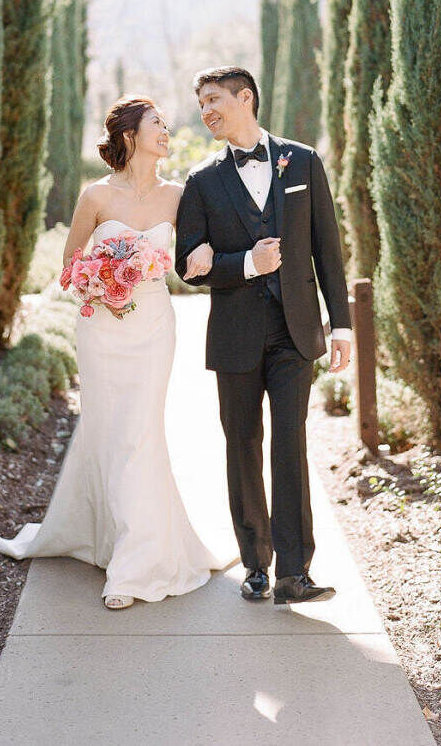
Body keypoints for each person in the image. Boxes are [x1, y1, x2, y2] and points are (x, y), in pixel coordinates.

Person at [0, 95, 221, 609]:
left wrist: (205, 256)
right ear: (129, 136)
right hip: (101, 331)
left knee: (139, 434)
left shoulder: (179, 196)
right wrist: (102, 281)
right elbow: (71, 267)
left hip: (153, 328)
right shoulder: (95, 196)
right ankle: (109, 535)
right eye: (157, 124)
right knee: (109, 432)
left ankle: (135, 567)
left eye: (164, 123)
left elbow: (187, 262)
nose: (166, 130)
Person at [175, 66, 353, 605]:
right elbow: (189, 264)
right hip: (234, 335)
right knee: (243, 444)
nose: (205, 110)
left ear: (245, 97)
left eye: (213, 99)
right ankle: (255, 564)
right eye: (200, 102)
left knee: (290, 444)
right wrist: (244, 264)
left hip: (294, 332)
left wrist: (340, 323)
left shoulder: (302, 161)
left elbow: (328, 249)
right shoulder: (202, 181)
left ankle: (294, 573)